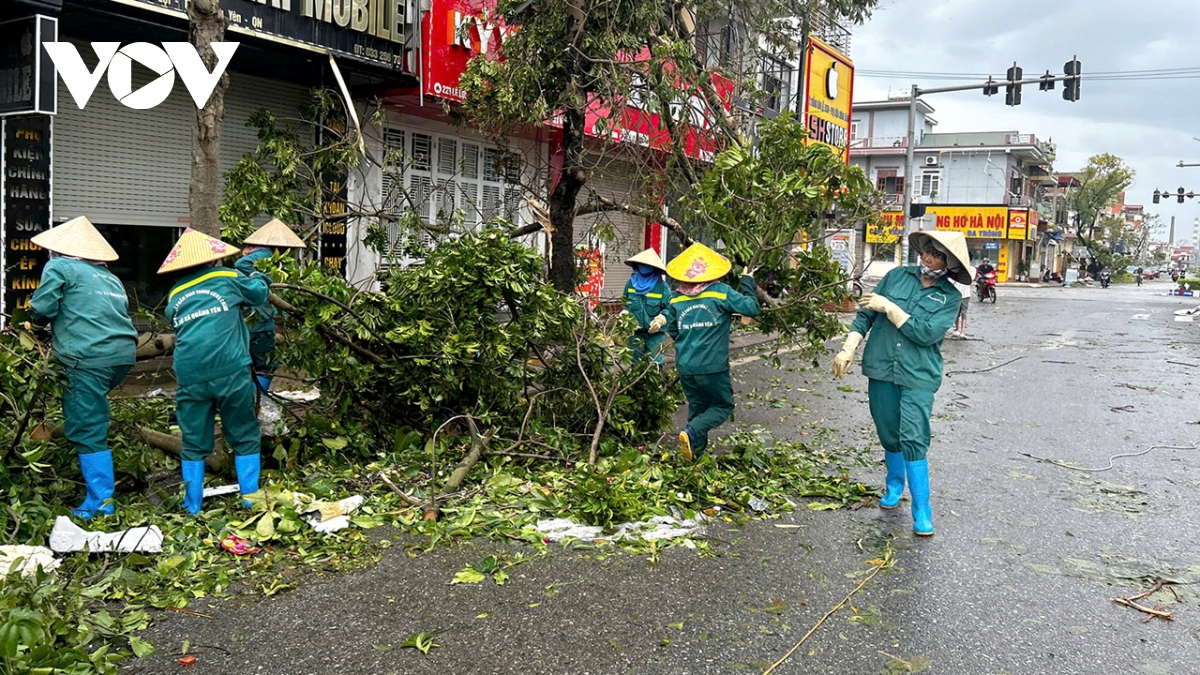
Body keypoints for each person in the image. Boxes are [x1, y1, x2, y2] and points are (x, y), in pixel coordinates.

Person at [831, 230, 969, 536]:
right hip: (881, 367)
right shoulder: (896, 277)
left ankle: (922, 508)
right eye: (927, 251)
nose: (927, 257)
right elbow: (866, 314)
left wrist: (891, 308)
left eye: (936, 254)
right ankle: (894, 487)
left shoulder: (950, 297)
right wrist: (849, 347)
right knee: (888, 431)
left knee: (914, 436)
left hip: (918, 373)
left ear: (950, 264)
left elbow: (926, 334)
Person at [24, 217, 137, 519]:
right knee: (88, 412)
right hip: (122, 355)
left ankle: (101, 503)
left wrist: (33, 327)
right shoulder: (109, 277)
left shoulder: (59, 267)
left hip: (86, 357)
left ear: (59, 249)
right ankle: (99, 492)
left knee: (86, 425)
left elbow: (44, 308)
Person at [159, 228, 270, 514]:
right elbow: (258, 295)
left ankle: (191, 506)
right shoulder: (227, 278)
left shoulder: (174, 293)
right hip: (230, 370)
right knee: (244, 432)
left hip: (189, 375)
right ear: (213, 259)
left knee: (193, 440)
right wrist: (260, 275)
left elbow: (177, 319)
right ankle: (251, 500)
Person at [664, 243, 760, 461]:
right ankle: (690, 433)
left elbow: (671, 327)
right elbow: (751, 308)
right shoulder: (720, 292)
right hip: (712, 366)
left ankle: (694, 455)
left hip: (686, 364)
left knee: (698, 408)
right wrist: (747, 283)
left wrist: (687, 343)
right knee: (722, 405)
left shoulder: (676, 297)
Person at [235, 218, 306, 394]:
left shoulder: (272, 261)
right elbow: (240, 264)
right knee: (265, 365)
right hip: (259, 322)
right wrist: (259, 277)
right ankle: (256, 400)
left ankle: (252, 399)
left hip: (251, 321)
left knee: (250, 364)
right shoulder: (266, 254)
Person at [620, 249, 671, 364]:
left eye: (648, 265)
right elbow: (626, 304)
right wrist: (624, 313)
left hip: (655, 335)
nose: (644, 268)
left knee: (654, 363)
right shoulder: (630, 284)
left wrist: (661, 319)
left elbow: (669, 307)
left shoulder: (662, 287)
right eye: (642, 265)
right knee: (635, 364)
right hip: (635, 333)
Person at [951, 262, 976, 338]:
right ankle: (957, 330)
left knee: (964, 313)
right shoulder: (956, 269)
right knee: (956, 313)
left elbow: (971, 278)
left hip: (965, 294)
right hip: (957, 294)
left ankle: (963, 332)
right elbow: (951, 280)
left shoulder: (971, 269)